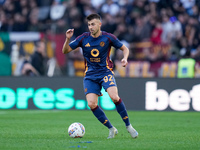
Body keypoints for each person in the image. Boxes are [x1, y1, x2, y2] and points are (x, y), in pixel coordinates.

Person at [62, 13, 138, 139]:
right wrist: (67, 39)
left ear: (99, 24)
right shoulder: (83, 38)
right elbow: (65, 51)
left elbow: (125, 49)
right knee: (91, 104)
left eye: (93, 24)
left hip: (105, 72)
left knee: (114, 97)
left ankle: (128, 126)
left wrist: (125, 59)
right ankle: (111, 129)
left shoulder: (108, 37)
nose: (90, 27)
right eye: (89, 25)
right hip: (90, 75)